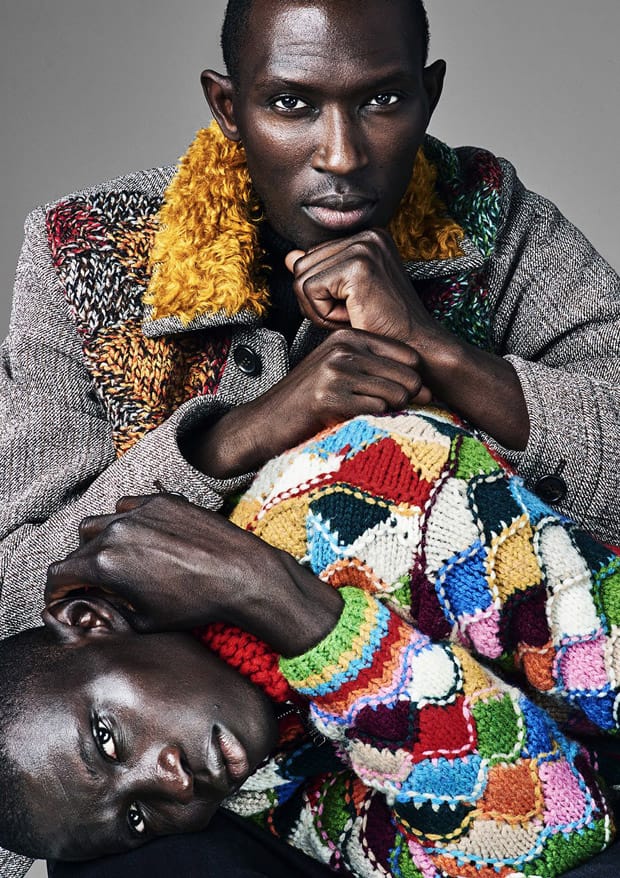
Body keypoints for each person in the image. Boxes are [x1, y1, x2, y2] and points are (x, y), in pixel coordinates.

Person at [1, 0, 619, 873]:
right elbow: (12, 599)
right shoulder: (87, 255)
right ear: (229, 105)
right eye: (291, 103)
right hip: (276, 778)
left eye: (382, 100)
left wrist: (438, 350)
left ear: (429, 95)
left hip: (540, 693)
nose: (342, 154)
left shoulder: (494, 221)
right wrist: (237, 438)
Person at [1, 406, 620, 878]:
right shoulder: (253, 786)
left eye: (108, 739)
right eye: (137, 818)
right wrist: (306, 623)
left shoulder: (362, 497)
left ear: (91, 621)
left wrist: (273, 592)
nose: (175, 786)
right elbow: (544, 838)